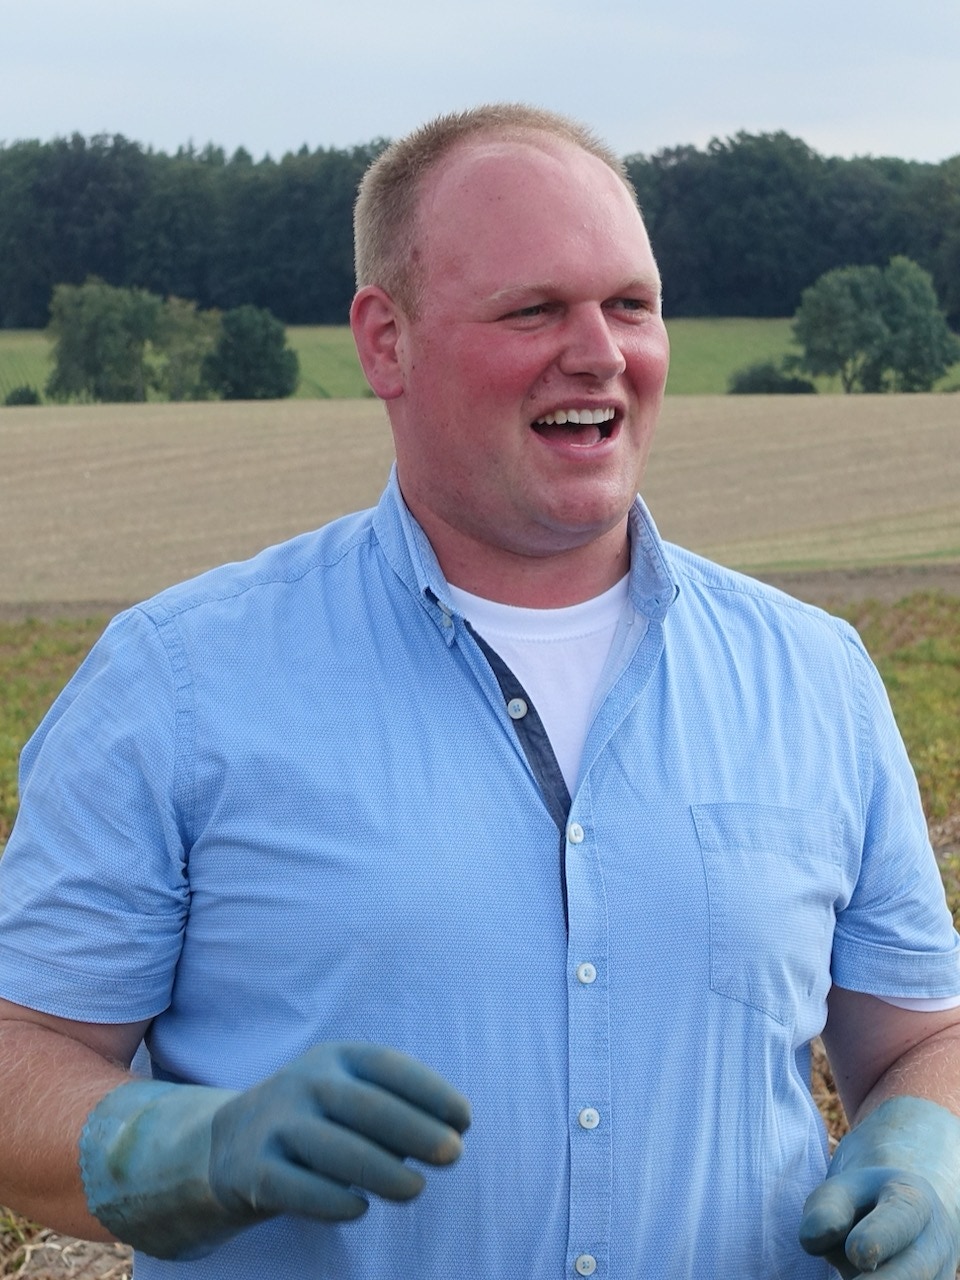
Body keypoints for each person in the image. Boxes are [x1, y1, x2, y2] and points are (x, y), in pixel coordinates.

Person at [1, 104, 960, 1280]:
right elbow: (23, 1046)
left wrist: (927, 1141)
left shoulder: (814, 675)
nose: (600, 352)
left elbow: (922, 1034)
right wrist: (182, 1149)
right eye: (534, 309)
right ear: (385, 342)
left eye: (631, 304)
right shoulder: (179, 682)